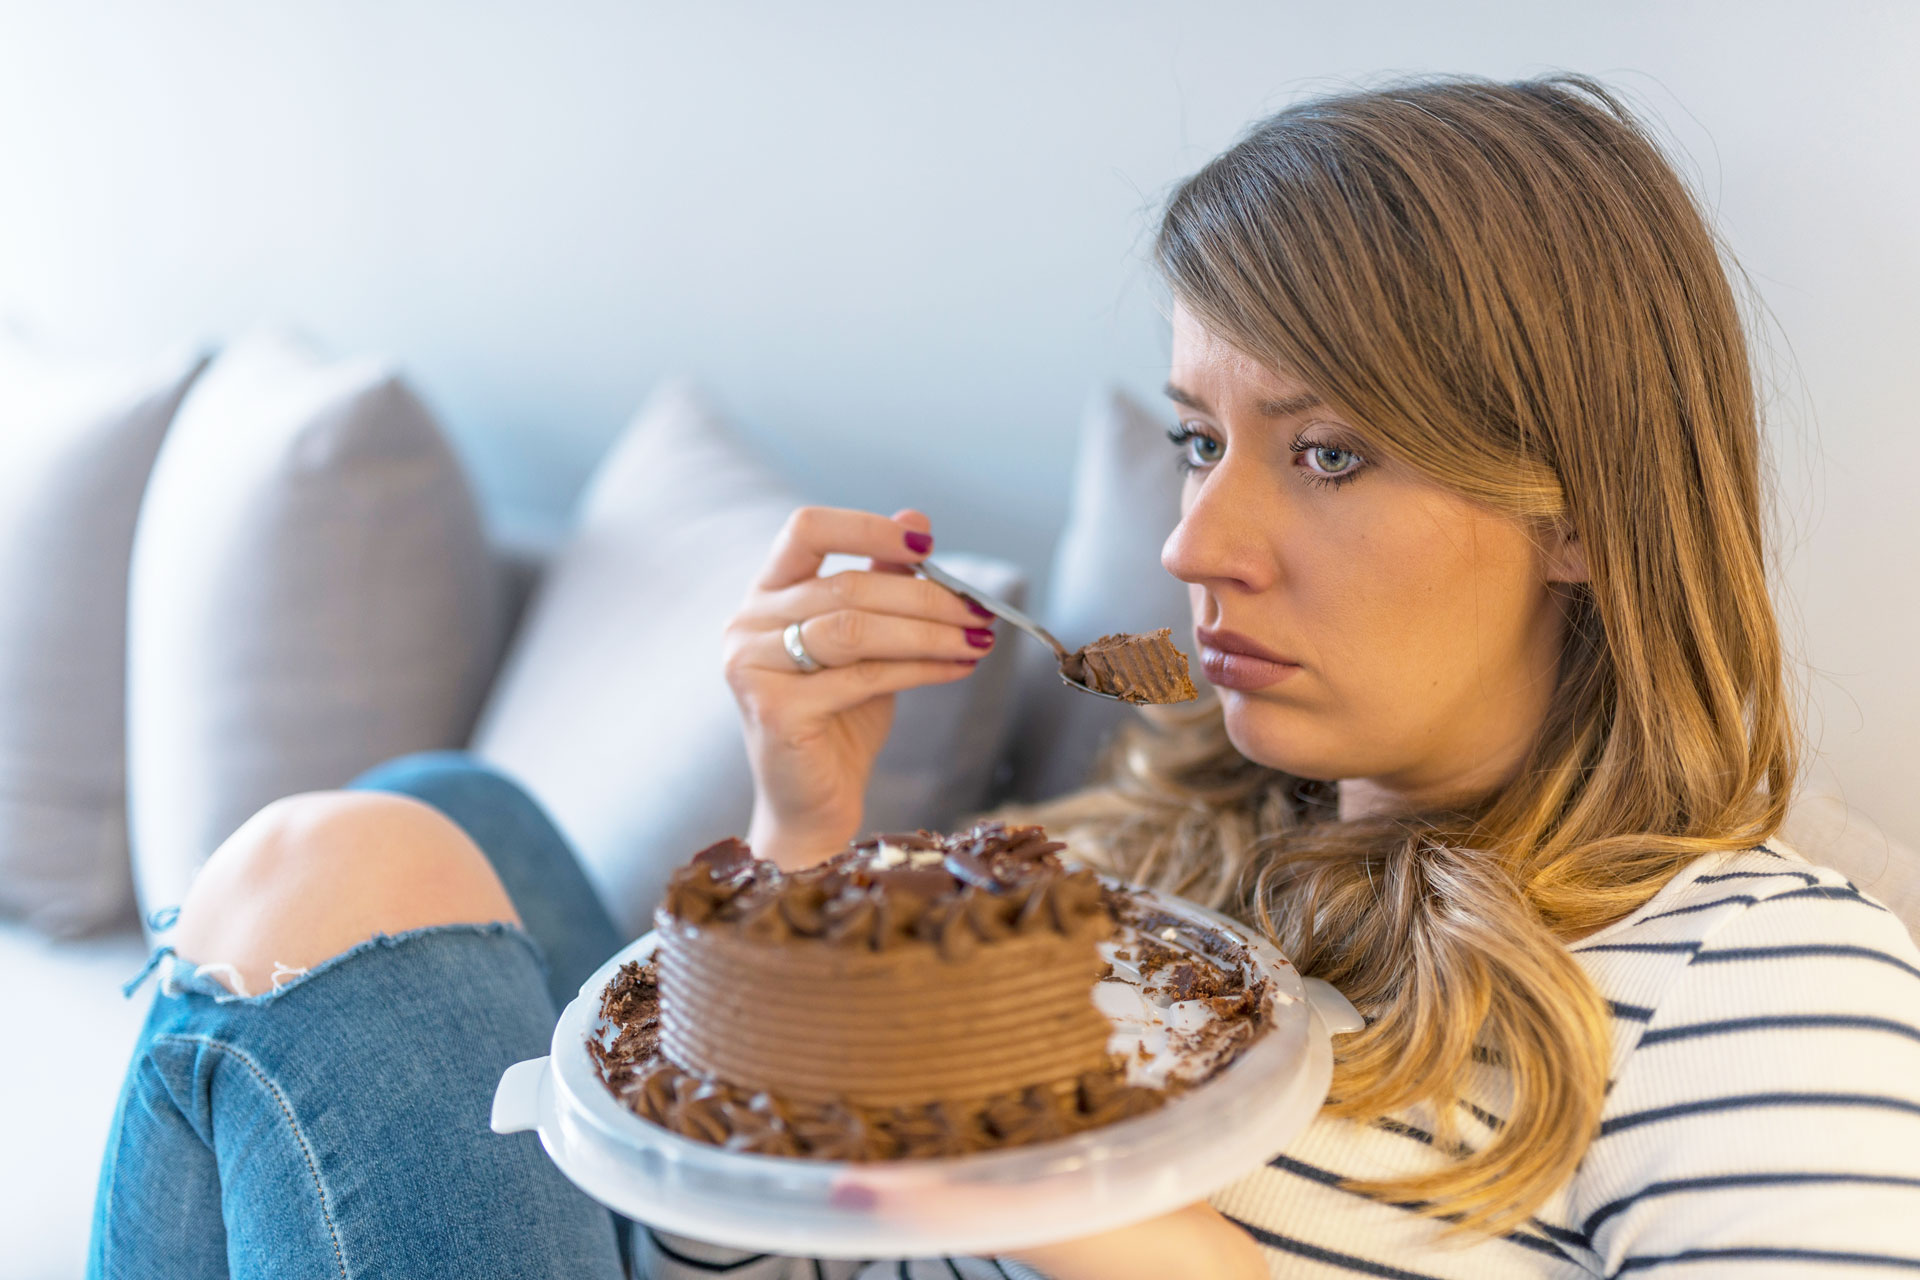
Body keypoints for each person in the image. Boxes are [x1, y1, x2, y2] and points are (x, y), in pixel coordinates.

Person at [88, 72, 1920, 1279]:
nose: (1200, 543)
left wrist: (1062, 1173)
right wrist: (807, 858)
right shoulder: (1129, 869)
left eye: (1333, 453)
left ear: (1586, 509)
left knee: (336, 866)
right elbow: (739, 1258)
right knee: (432, 821)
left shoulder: (1764, 980)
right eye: (1200, 440)